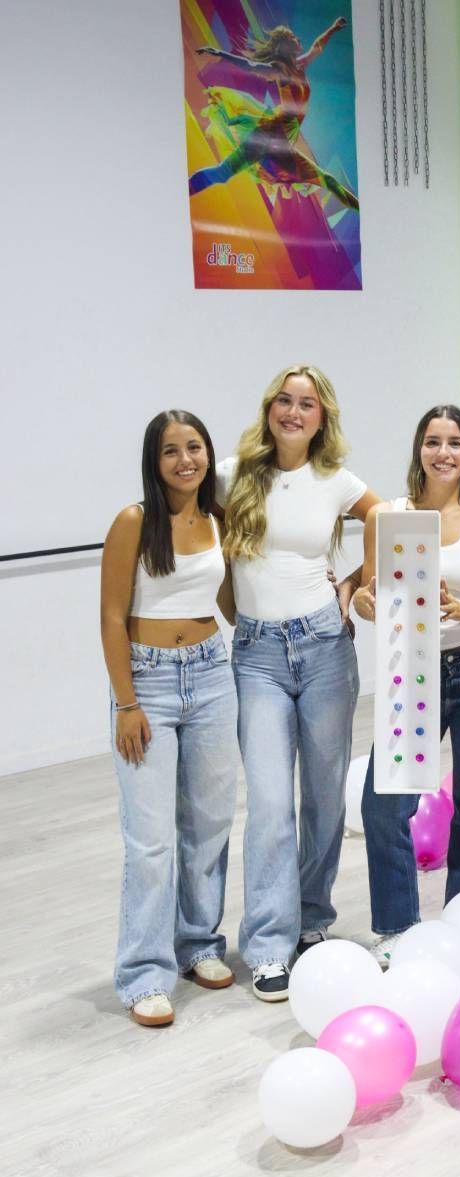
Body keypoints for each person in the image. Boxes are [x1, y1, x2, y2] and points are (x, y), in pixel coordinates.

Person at [220, 364, 380, 1001]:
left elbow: (397, 524)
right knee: (267, 802)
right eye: (283, 401)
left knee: (323, 798)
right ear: (269, 410)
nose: (293, 411)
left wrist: (351, 585)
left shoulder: (337, 481)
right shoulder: (232, 476)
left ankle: (311, 919)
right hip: (256, 655)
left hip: (323, 648)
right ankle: (265, 944)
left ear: (322, 417)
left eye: (306, 403)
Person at [349, 407, 460, 963]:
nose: (442, 453)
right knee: (385, 806)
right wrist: (365, 603)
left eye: (454, 442)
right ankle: (397, 928)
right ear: (418, 450)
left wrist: (457, 606)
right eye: (432, 442)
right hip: (411, 670)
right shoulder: (389, 518)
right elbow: (369, 592)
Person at [100, 411, 238, 1027]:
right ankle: (143, 974)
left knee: (208, 823)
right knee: (151, 840)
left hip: (212, 673)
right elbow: (110, 616)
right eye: (171, 452)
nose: (186, 460)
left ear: (208, 453)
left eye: (195, 447)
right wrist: (127, 703)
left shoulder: (219, 519)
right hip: (148, 682)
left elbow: (234, 599)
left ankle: (199, 945)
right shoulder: (135, 521)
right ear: (154, 463)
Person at [189, 18, 359, 211]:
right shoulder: (278, 69)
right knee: (223, 173)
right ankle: (182, 191)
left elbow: (317, 46)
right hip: (269, 136)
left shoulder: (300, 66)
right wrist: (219, 53)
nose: (298, 39)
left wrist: (333, 29)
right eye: (293, 37)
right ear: (285, 46)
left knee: (329, 181)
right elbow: (250, 66)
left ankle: (365, 212)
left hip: (282, 141)